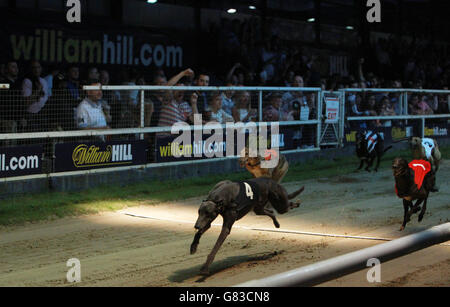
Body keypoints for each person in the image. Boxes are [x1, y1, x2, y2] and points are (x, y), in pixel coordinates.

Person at [22, 60, 49, 131]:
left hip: (42, 115)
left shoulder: (44, 81)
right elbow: (26, 102)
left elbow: (46, 98)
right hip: (31, 115)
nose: (36, 70)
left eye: (38, 67)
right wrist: (38, 90)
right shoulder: (27, 81)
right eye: (34, 68)